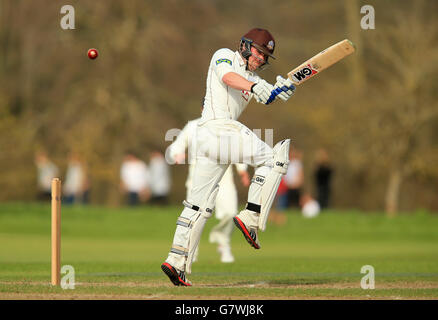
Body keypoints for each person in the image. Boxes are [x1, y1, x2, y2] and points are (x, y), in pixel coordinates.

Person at [161, 28, 296, 286]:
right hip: (217, 129)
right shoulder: (223, 55)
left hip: (212, 143)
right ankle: (251, 216)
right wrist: (257, 86)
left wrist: (282, 89)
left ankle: (176, 262)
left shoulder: (251, 76)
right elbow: (228, 77)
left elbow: (264, 92)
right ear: (245, 46)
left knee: (198, 206)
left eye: (265, 56)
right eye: (258, 52)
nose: (260, 58)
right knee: (276, 157)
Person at [167, 117, 251, 263]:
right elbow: (178, 145)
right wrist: (176, 154)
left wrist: (242, 170)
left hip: (224, 177)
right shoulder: (193, 126)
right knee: (193, 217)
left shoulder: (227, 127)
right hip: (198, 179)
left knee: (230, 212)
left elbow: (236, 150)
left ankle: (223, 243)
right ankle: (190, 252)